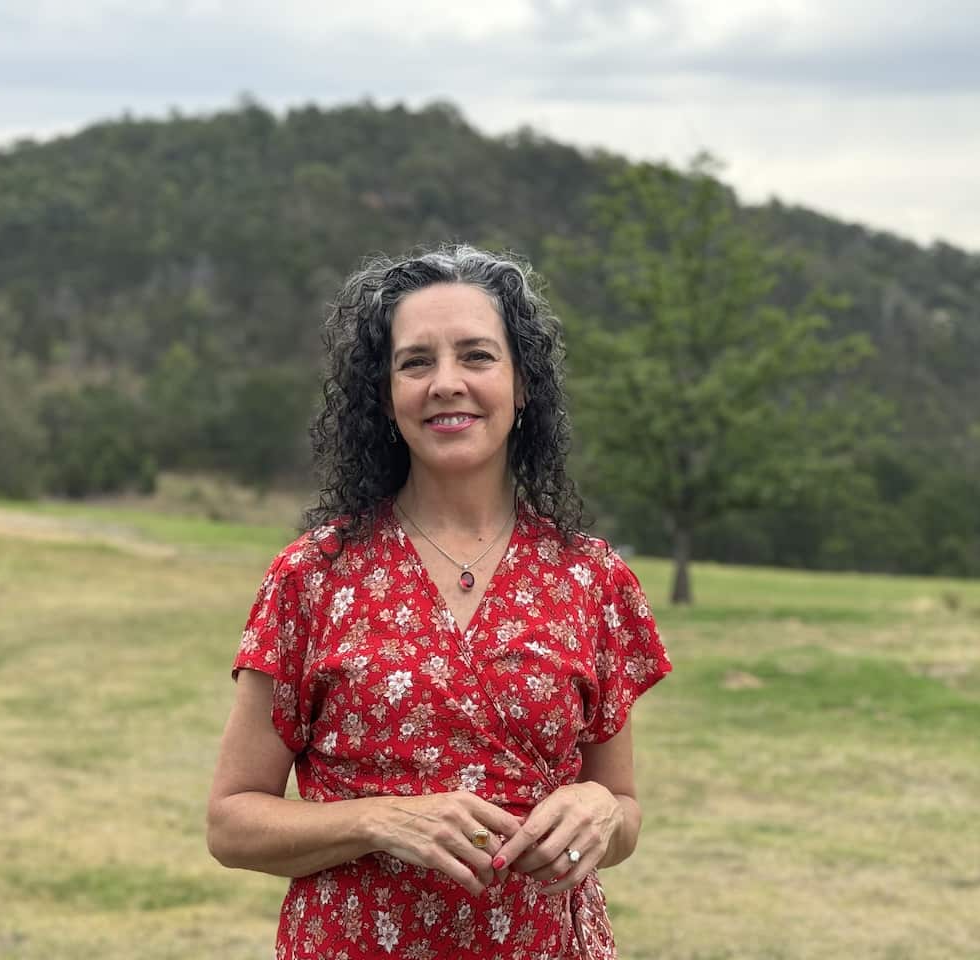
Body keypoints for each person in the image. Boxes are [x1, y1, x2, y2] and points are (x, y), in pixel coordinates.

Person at [206, 245, 671, 959]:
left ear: (523, 389)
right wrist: (378, 821)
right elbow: (232, 824)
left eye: (477, 356)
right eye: (415, 362)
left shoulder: (592, 579)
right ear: (385, 398)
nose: (446, 383)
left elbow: (625, 812)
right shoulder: (312, 578)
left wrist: (602, 813)